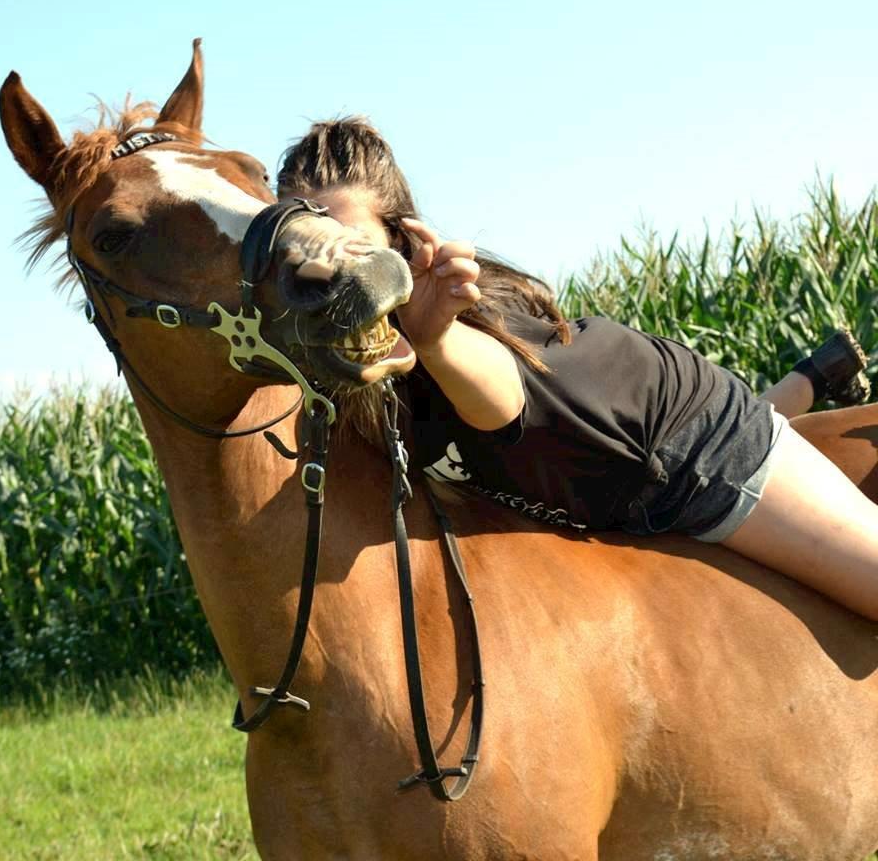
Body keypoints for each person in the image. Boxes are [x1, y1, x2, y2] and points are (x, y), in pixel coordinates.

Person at [276, 117, 878, 622]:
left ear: (403, 243)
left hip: (690, 448)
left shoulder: (461, 316)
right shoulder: (336, 373)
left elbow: (501, 403)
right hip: (608, 496)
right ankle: (817, 374)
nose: (331, 279)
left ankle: (807, 386)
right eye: (309, 258)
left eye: (355, 247)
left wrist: (436, 340)